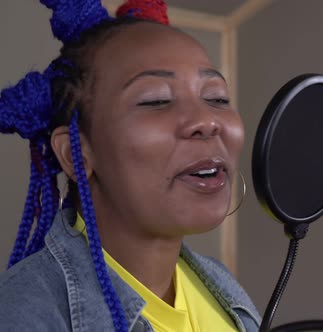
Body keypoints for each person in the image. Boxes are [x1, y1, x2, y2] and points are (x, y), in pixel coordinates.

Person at [0, 0, 260, 331]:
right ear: (76, 152)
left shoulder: (222, 286)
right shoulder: (22, 314)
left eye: (217, 98)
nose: (207, 121)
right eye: (156, 100)